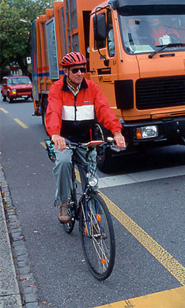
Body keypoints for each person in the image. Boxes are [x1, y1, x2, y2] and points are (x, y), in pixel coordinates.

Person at [45, 52, 126, 223]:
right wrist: (55, 134)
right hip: (65, 139)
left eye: (83, 69)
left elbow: (104, 110)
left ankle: (95, 219)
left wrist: (116, 132)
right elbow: (53, 112)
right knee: (63, 162)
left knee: (91, 181)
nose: (80, 73)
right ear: (66, 71)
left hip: (86, 140)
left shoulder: (91, 87)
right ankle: (64, 203)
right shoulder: (57, 89)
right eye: (75, 70)